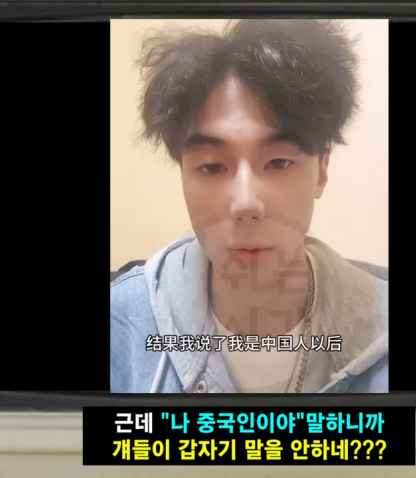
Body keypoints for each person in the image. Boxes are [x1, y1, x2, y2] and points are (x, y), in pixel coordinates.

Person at [110, 19, 388, 393]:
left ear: (322, 170)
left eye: (278, 162)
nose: (245, 203)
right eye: (212, 167)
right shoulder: (121, 322)